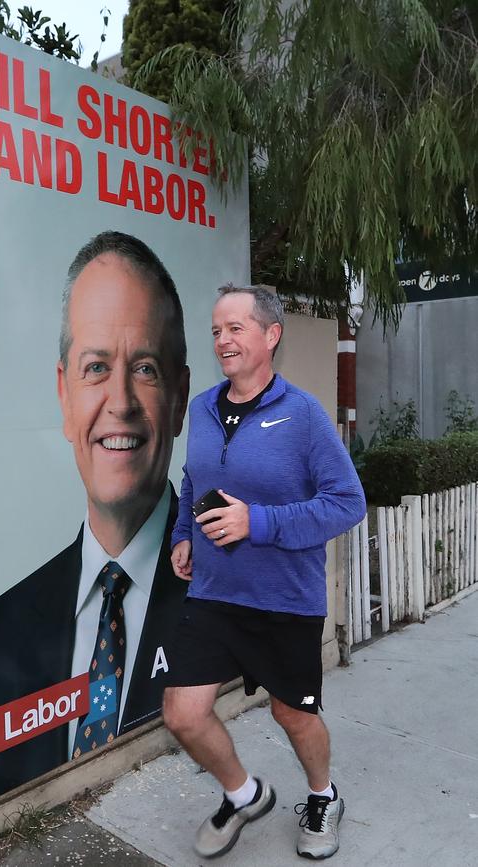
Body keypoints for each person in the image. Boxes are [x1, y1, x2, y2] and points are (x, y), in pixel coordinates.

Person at [0, 232, 190, 826]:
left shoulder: (237, 603)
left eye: (145, 369)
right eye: (96, 368)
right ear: (64, 395)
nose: (119, 401)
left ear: (179, 397)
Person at [165, 284, 366, 860]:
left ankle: (324, 796)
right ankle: (245, 794)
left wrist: (259, 523)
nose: (222, 341)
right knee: (183, 713)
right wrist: (185, 535)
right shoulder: (202, 407)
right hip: (215, 593)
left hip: (284, 598)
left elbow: (346, 502)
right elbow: (193, 482)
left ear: (270, 336)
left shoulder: (302, 414)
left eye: (235, 329)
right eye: (216, 331)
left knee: (292, 714)